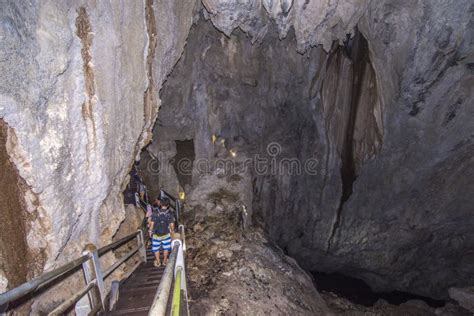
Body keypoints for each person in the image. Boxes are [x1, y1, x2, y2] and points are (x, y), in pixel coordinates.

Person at [150, 197, 175, 267]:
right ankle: (164, 261)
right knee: (166, 248)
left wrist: (150, 231)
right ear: (168, 205)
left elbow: (152, 224)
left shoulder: (155, 212)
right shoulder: (170, 213)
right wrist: (172, 233)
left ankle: (158, 262)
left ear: (160, 203)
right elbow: (172, 226)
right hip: (166, 234)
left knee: (156, 248)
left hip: (156, 234)